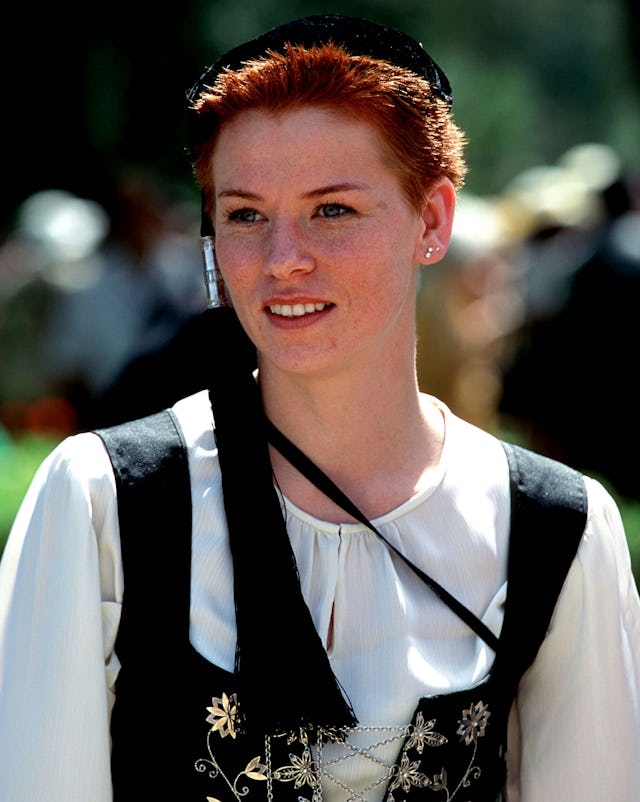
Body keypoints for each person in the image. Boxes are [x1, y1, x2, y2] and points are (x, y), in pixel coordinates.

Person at [0, 14, 638, 802]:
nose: (283, 260)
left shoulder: (555, 527)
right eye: (244, 215)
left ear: (431, 221)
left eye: (332, 209)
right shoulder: (104, 501)